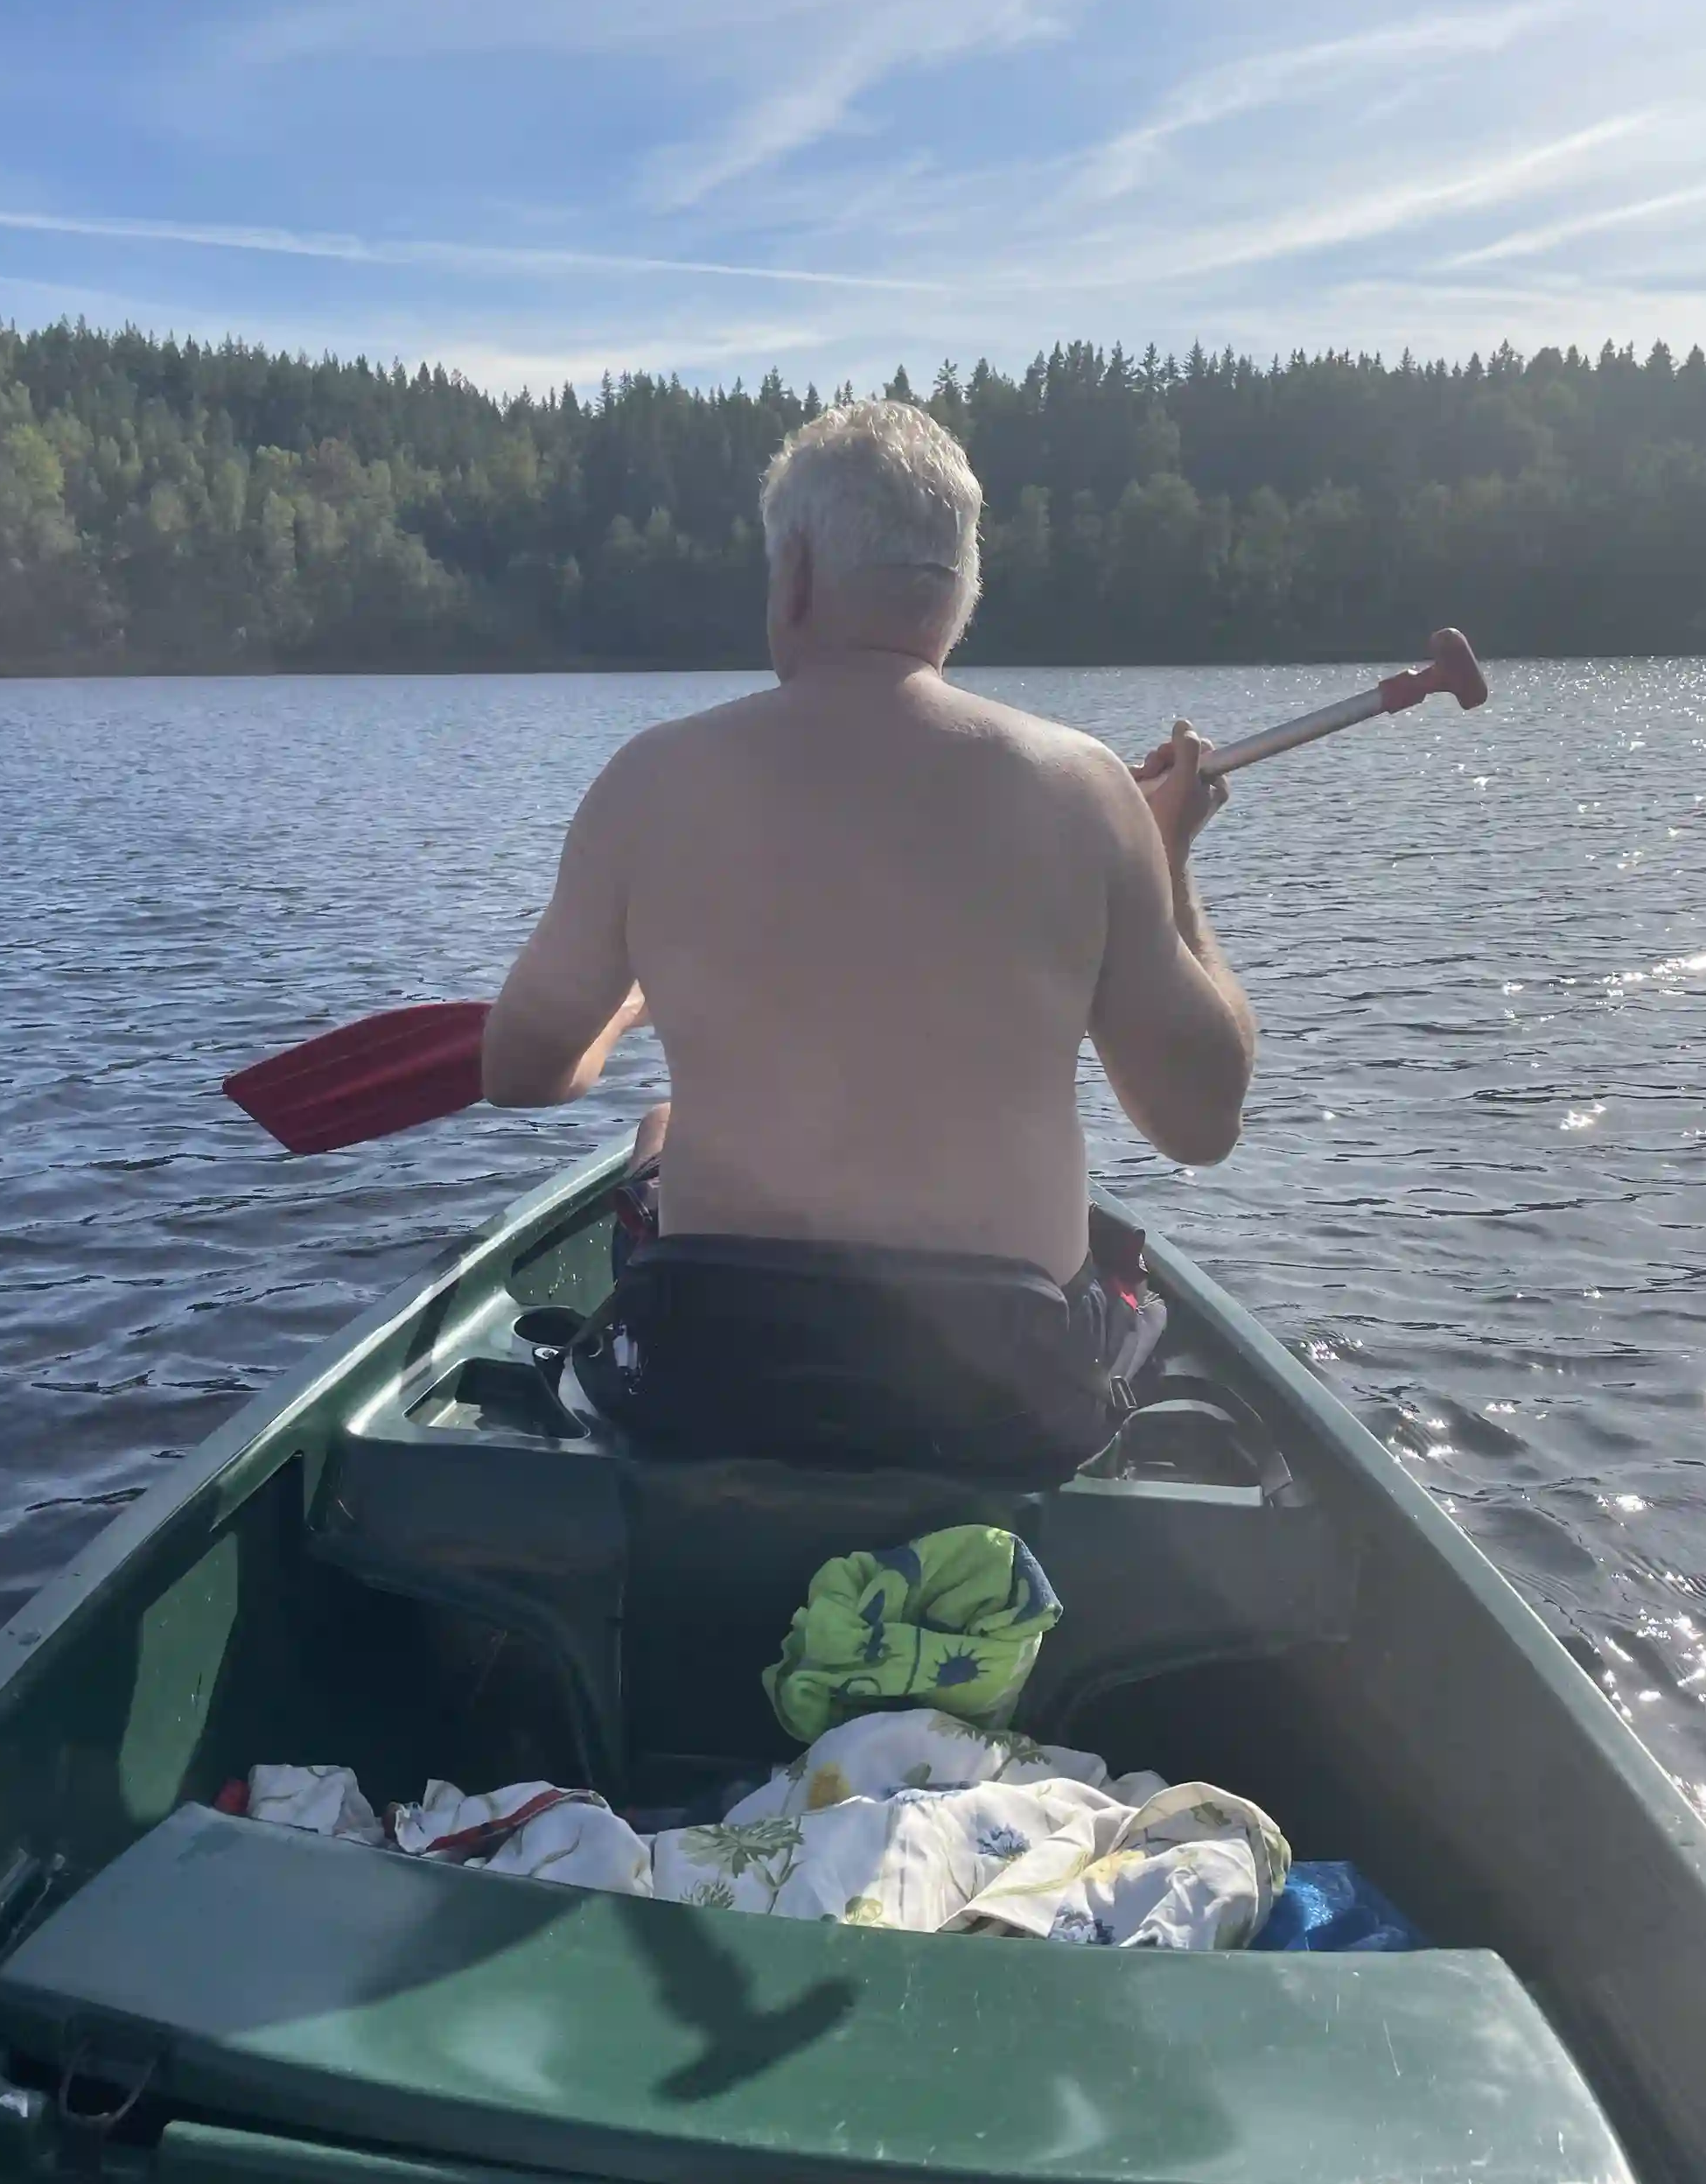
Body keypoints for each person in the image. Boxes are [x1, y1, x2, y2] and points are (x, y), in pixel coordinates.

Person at [479, 400, 1256, 1480]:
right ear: (959, 592)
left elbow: (518, 1070)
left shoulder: (651, 782)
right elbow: (1199, 1121)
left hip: (714, 1377)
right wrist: (1168, 862)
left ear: (792, 575)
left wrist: (616, 1015)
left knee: (662, 1125)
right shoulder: (1088, 791)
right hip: (1003, 1398)